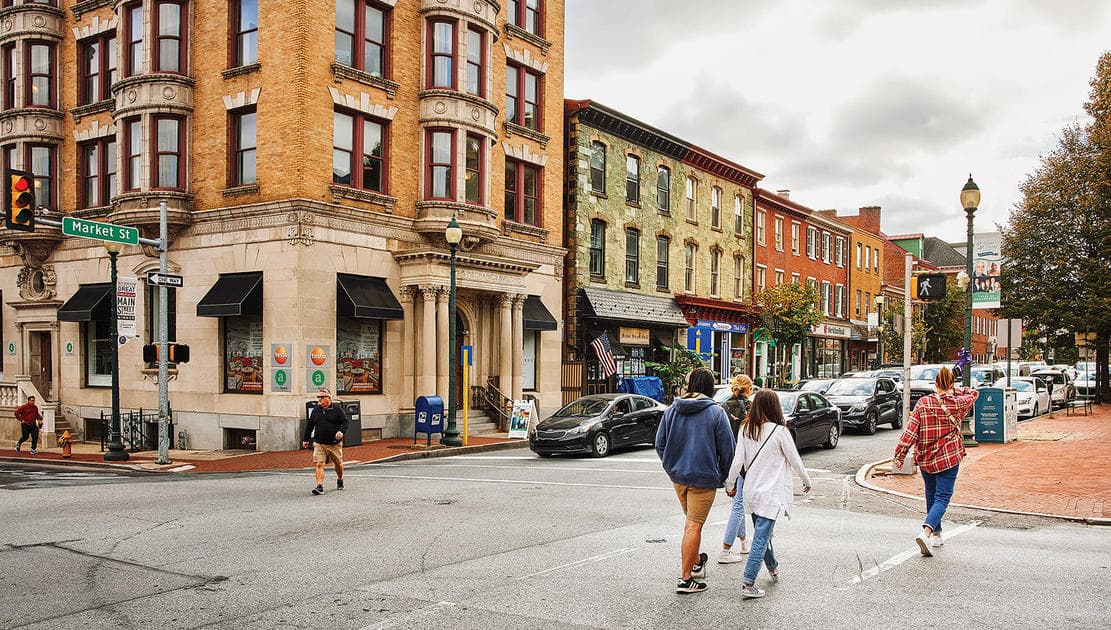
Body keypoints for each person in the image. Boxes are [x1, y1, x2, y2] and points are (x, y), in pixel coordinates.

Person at [724, 389, 812, 599]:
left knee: (763, 534)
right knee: (761, 537)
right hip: (771, 494)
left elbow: (737, 462)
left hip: (751, 492)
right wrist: (806, 481)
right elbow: (795, 460)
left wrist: (730, 484)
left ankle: (772, 568)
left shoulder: (746, 429)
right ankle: (748, 583)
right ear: (775, 407)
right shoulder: (780, 432)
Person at [655, 368, 735, 594]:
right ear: (709, 387)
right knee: (693, 526)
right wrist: (727, 478)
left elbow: (660, 444)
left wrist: (671, 466)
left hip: (678, 477)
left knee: (692, 524)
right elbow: (728, 450)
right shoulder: (716, 413)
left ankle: (697, 561)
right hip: (703, 478)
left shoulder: (672, 410)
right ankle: (685, 578)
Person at [893, 366, 979, 556]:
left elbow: (910, 432)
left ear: (936, 383)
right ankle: (927, 531)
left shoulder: (923, 403)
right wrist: (953, 391)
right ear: (951, 384)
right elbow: (974, 393)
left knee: (931, 494)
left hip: (926, 458)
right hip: (949, 457)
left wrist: (900, 454)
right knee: (942, 497)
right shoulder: (958, 403)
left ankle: (937, 536)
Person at [718, 375, 753, 563]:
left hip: (729, 457)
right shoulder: (751, 407)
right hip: (745, 459)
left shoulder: (723, 407)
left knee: (737, 502)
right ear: (748, 389)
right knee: (739, 505)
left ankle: (744, 540)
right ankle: (725, 549)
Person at [302, 389, 349, 495]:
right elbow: (310, 425)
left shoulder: (337, 410)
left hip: (334, 443)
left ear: (329, 398)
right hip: (319, 443)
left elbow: (345, 422)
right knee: (319, 464)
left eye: (322, 397)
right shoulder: (316, 411)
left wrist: (341, 432)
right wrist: (305, 439)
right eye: (318, 397)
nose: (319, 399)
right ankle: (319, 486)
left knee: (338, 464)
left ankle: (340, 479)